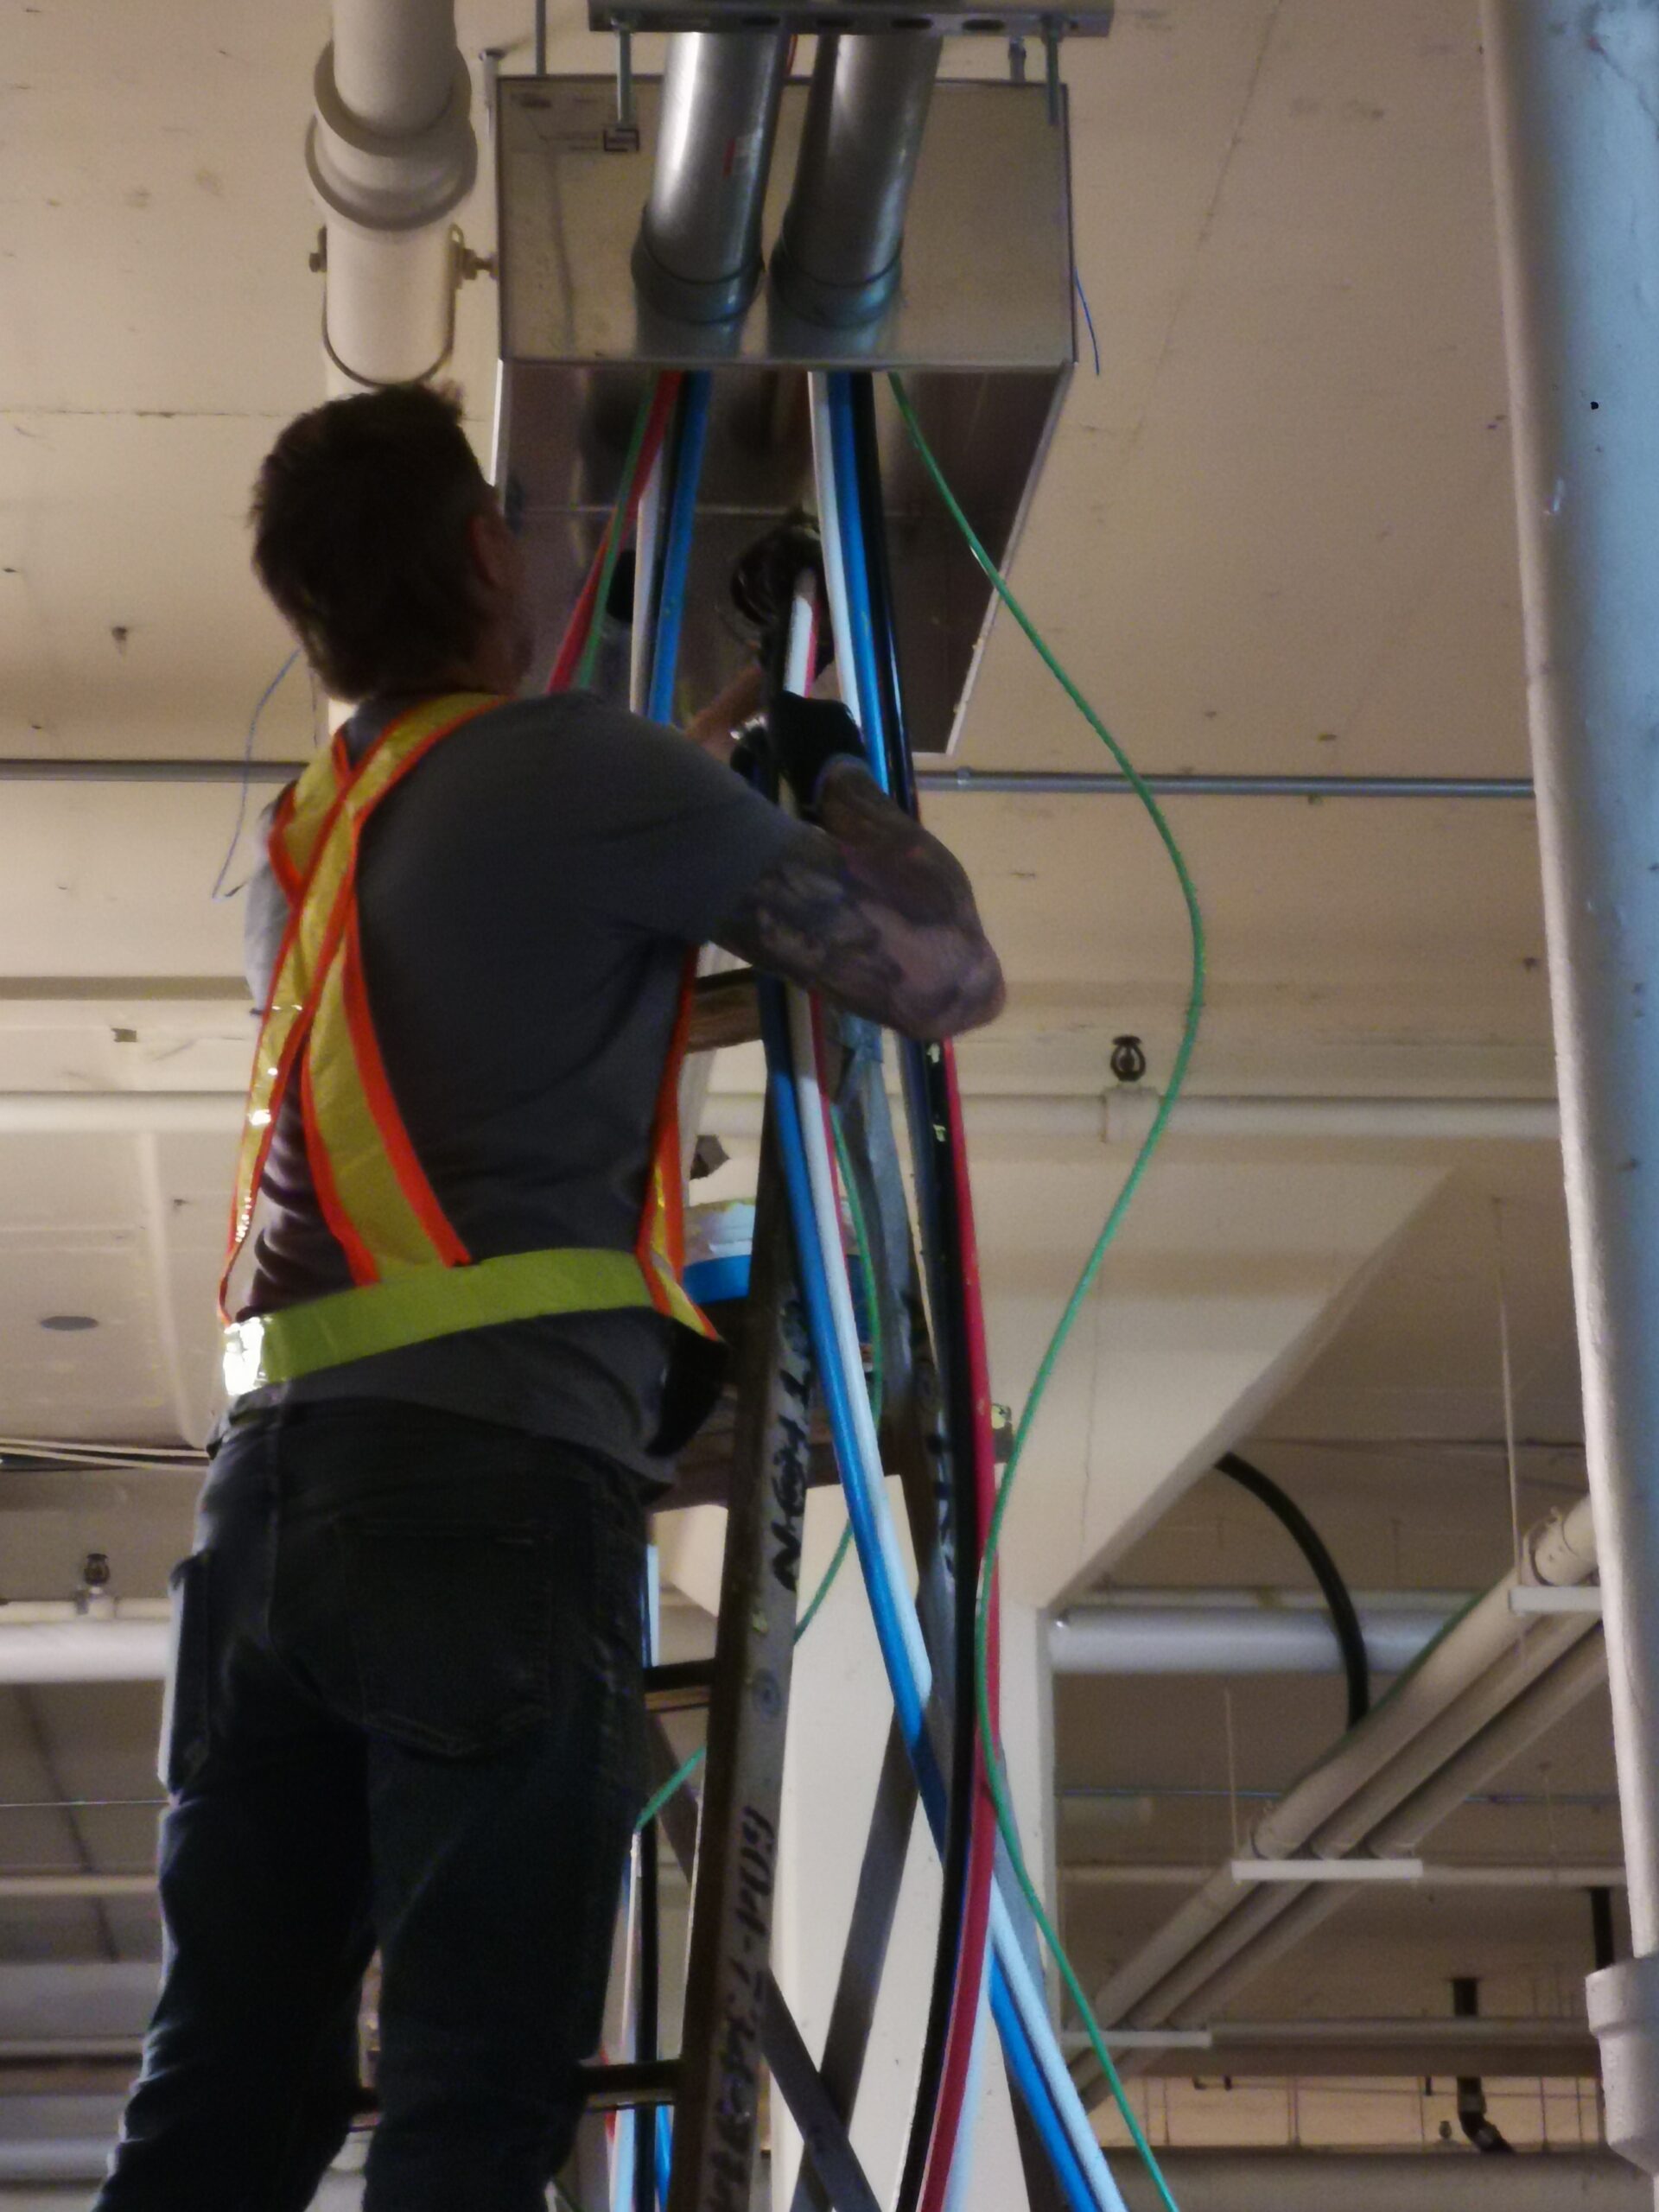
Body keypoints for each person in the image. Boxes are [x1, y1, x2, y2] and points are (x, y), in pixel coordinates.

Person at [95, 381, 1002, 2212]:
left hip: (267, 1514)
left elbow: (527, 874)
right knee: (477, 2089)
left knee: (228, 2092)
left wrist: (695, 747)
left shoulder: (309, 836)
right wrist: (822, 768)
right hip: (482, 1501)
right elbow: (939, 971)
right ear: (481, 556)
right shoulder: (578, 777)